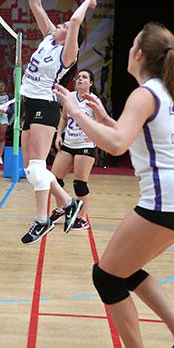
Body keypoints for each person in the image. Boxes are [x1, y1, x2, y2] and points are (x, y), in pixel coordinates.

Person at [52, 22, 174, 348]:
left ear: (138, 55)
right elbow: (127, 134)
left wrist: (75, 111)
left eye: (132, 45)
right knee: (124, 270)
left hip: (166, 203)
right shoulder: (168, 92)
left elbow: (116, 144)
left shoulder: (145, 93)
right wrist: (103, 117)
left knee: (106, 277)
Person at [12, 0, 94, 244]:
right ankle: (69, 204)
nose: (58, 26)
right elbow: (35, 4)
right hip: (28, 103)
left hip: (44, 106)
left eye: (64, 27)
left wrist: (87, 3)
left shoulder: (67, 54)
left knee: (36, 167)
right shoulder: (49, 38)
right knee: (30, 170)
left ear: (72, 36)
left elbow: (74, 21)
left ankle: (42, 220)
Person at [48, 69, 99, 231]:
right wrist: (58, 134)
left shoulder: (94, 100)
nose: (80, 79)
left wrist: (94, 137)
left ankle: (82, 218)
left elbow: (101, 122)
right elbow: (63, 117)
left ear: (91, 83)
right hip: (68, 143)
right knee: (54, 180)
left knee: (80, 184)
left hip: (85, 146)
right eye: (79, 77)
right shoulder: (69, 97)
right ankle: (62, 209)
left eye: (85, 77)